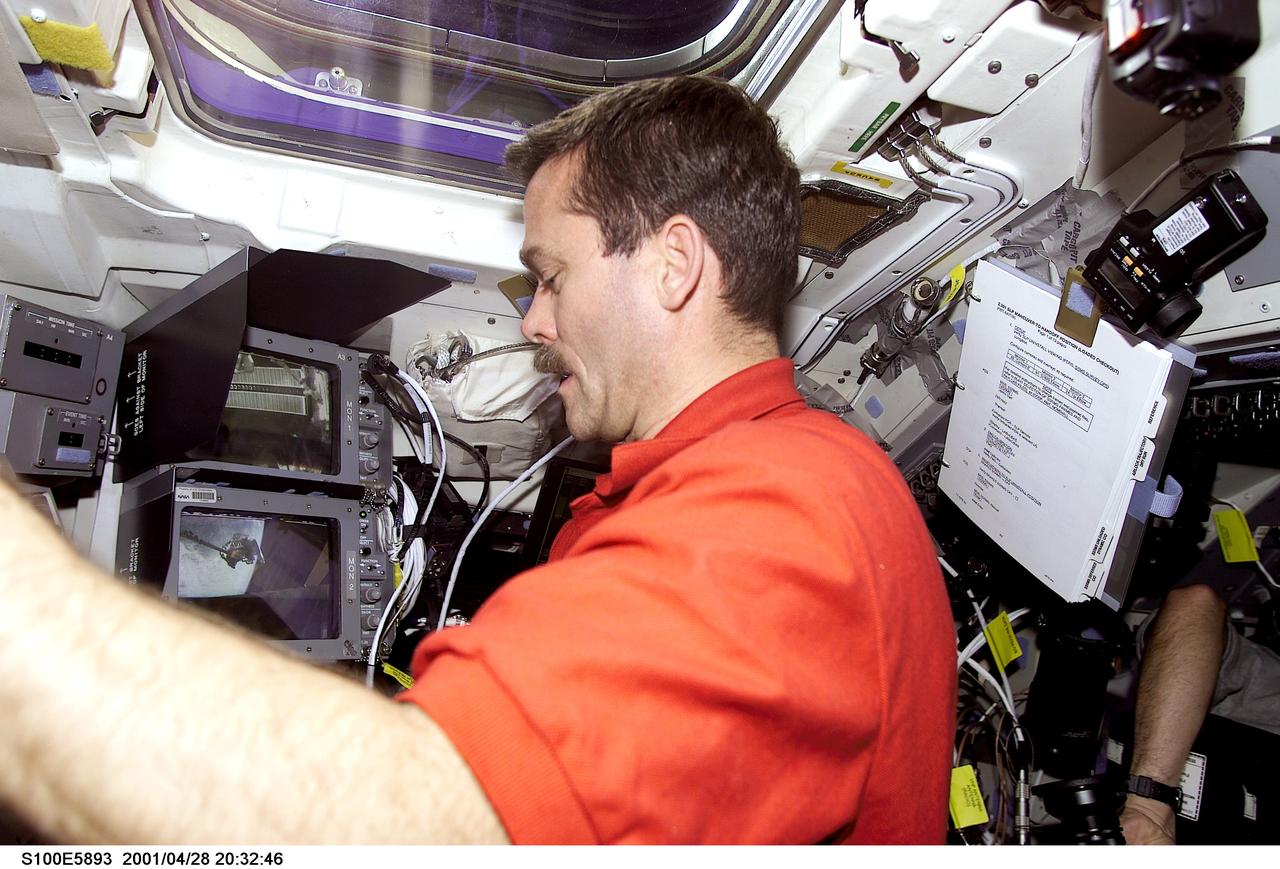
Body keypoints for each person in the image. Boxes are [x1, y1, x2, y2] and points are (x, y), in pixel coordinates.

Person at [0, 75, 955, 844]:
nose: (535, 321)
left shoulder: (779, 515)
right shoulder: (744, 479)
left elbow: (413, 825)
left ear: (673, 266)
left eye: (552, 276)